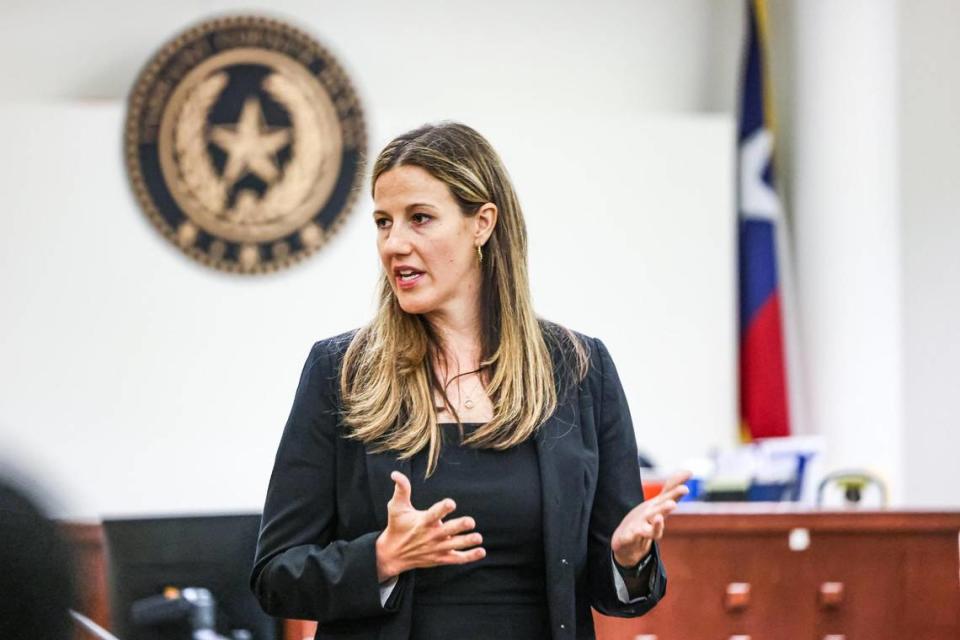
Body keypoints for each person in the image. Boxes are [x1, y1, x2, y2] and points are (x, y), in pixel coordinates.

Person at [250, 122, 689, 639]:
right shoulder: (340, 371)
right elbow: (276, 575)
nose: (394, 244)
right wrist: (381, 558)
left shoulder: (578, 369)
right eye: (383, 223)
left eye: (420, 219)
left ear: (482, 223)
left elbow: (612, 591)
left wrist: (626, 558)